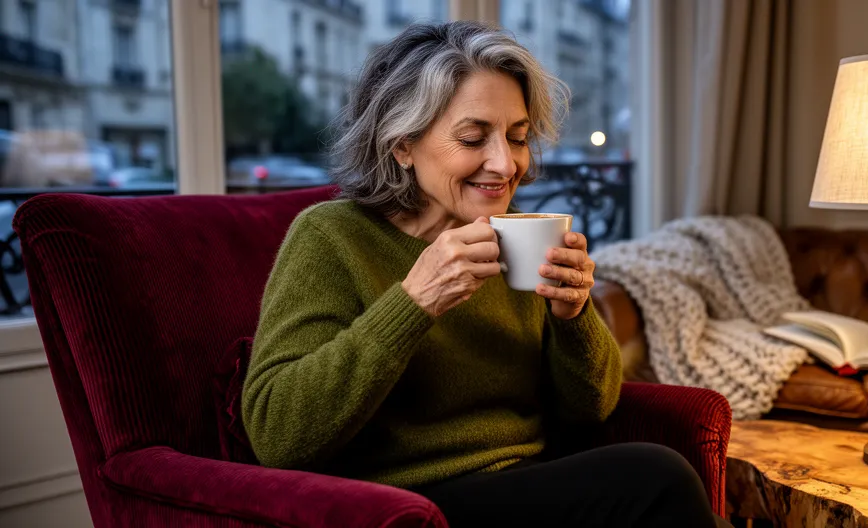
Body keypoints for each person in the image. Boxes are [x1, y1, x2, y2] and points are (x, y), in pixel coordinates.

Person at [242, 21, 726, 528]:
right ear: (402, 145)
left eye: (517, 138)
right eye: (474, 138)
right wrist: (414, 301)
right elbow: (278, 435)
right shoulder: (331, 237)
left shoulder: (518, 235)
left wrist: (573, 316)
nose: (504, 163)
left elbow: (593, 409)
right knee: (657, 477)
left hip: (528, 483)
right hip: (408, 505)